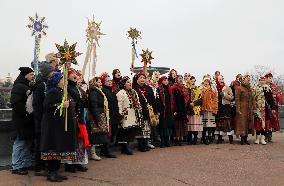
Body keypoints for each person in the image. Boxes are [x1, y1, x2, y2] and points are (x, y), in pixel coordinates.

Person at [40, 72, 77, 182]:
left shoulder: (63, 91)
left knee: (59, 148)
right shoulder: (52, 92)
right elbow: (47, 107)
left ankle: (55, 172)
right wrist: (61, 105)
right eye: (62, 79)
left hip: (60, 126)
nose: (64, 81)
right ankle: (51, 173)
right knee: (54, 148)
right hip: (53, 126)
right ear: (56, 81)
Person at [63, 68, 89, 173]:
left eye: (76, 74)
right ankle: (69, 164)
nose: (75, 75)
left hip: (80, 117)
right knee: (71, 140)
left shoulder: (78, 88)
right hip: (72, 117)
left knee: (80, 141)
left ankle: (78, 162)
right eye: (72, 74)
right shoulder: (67, 87)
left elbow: (84, 101)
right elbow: (76, 101)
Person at [10, 67, 35, 175]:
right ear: (25, 75)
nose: (32, 76)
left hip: (27, 120)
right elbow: (15, 103)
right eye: (31, 74)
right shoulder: (19, 86)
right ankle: (16, 165)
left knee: (26, 142)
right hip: (21, 120)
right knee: (20, 143)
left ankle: (25, 163)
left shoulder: (27, 86)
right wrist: (25, 113)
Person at [32, 62, 54, 176]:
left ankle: (43, 165)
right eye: (51, 71)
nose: (53, 73)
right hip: (40, 118)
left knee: (43, 142)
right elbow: (37, 104)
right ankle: (38, 167)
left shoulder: (44, 83)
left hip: (43, 118)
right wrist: (41, 118)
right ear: (46, 72)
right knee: (40, 142)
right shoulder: (41, 84)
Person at [88, 77, 117, 159]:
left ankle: (105, 151)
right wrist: (97, 117)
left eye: (101, 82)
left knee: (103, 133)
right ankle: (93, 153)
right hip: (97, 115)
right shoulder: (94, 91)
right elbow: (94, 105)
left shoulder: (99, 91)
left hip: (101, 114)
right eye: (99, 82)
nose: (101, 83)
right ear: (94, 82)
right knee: (95, 134)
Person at [116, 76, 142, 154]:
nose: (130, 83)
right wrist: (120, 114)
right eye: (127, 82)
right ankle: (124, 148)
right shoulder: (120, 93)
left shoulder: (133, 92)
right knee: (125, 131)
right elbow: (119, 105)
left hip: (133, 113)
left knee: (131, 131)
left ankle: (128, 145)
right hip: (125, 114)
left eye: (130, 82)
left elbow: (138, 102)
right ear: (124, 84)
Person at [132, 72, 157, 151]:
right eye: (140, 78)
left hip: (148, 112)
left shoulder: (149, 88)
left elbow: (153, 100)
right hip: (139, 112)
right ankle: (141, 145)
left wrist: (155, 112)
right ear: (137, 79)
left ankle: (145, 144)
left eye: (143, 78)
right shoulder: (134, 88)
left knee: (147, 129)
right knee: (140, 129)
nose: (142, 79)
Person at [253, 77, 276, 145]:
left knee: (264, 124)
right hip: (257, 109)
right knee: (258, 124)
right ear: (259, 81)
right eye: (261, 80)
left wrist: (273, 108)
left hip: (265, 109)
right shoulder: (255, 88)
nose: (262, 81)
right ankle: (257, 138)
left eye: (263, 80)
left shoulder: (267, 89)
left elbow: (271, 99)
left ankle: (262, 138)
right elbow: (253, 98)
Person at [101, 73, 120, 144]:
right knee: (109, 132)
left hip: (114, 114)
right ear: (104, 82)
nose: (110, 82)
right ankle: (107, 149)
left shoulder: (111, 90)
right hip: (109, 115)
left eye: (110, 81)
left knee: (113, 131)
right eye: (107, 81)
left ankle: (110, 145)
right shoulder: (103, 90)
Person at [235, 75, 254, 145]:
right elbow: (237, 99)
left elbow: (252, 99)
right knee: (242, 123)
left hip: (249, 108)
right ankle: (242, 139)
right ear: (243, 80)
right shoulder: (239, 88)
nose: (248, 80)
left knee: (247, 123)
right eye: (247, 79)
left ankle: (246, 139)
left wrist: (252, 107)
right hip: (242, 108)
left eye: (249, 79)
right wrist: (238, 109)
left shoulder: (250, 89)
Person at [215, 75, 234, 144]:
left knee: (228, 122)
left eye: (221, 79)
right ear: (217, 80)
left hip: (226, 107)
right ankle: (219, 139)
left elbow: (231, 97)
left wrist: (224, 95)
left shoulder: (228, 88)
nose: (220, 80)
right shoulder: (215, 88)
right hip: (219, 107)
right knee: (220, 122)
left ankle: (230, 139)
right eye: (219, 79)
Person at [185, 76, 203, 145]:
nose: (192, 82)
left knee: (195, 125)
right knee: (189, 125)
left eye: (193, 81)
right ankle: (189, 139)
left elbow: (201, 99)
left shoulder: (198, 89)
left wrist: (194, 103)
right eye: (191, 81)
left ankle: (195, 139)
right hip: (189, 109)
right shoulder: (187, 89)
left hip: (196, 109)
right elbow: (185, 99)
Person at [200, 75, 218, 145]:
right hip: (204, 109)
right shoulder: (201, 90)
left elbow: (215, 100)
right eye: (205, 81)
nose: (206, 83)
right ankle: (203, 137)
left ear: (209, 82)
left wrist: (214, 108)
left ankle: (209, 137)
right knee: (204, 125)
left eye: (207, 81)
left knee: (210, 124)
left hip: (210, 110)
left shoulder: (212, 90)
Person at [264, 72, 282, 142]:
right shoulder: (263, 86)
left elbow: (279, 95)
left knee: (272, 121)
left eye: (272, 78)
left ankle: (270, 136)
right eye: (269, 78)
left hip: (273, 106)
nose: (271, 79)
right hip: (265, 106)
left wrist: (276, 97)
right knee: (266, 121)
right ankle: (265, 135)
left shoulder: (274, 86)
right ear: (266, 78)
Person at [157, 76, 174, 147]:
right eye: (164, 80)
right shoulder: (159, 89)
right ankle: (162, 141)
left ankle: (167, 140)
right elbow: (157, 101)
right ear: (161, 81)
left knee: (168, 126)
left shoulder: (169, 89)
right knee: (162, 126)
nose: (166, 81)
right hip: (162, 110)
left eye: (167, 80)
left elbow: (172, 100)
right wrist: (159, 110)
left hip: (169, 110)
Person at [171, 75, 187, 145]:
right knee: (176, 125)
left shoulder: (183, 88)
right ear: (176, 80)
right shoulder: (174, 88)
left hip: (182, 109)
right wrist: (175, 110)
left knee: (181, 125)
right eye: (179, 78)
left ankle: (180, 138)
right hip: (177, 109)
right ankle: (176, 139)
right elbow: (173, 100)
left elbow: (185, 99)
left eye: (181, 78)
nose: (181, 80)